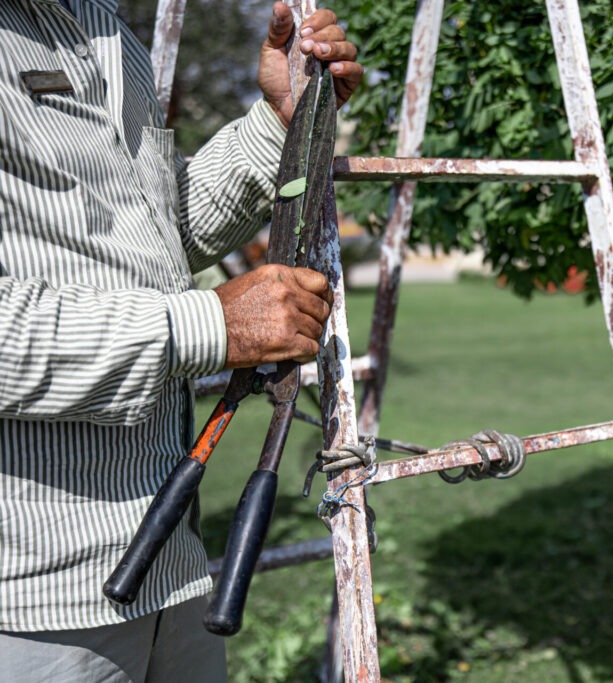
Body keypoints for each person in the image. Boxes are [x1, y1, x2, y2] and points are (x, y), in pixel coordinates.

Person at [0, 1, 363, 680]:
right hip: (28, 603)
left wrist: (276, 124)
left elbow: (147, 242)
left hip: (168, 560)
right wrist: (209, 325)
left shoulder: (99, 26)